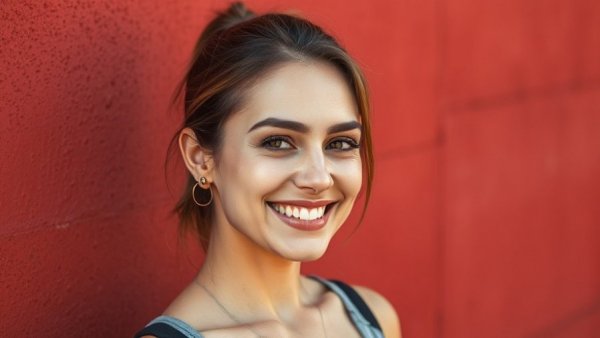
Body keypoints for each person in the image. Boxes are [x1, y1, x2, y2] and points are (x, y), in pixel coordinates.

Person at [135, 2, 401, 337]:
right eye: (277, 142)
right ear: (201, 158)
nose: (318, 178)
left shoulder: (373, 319)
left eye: (340, 143)